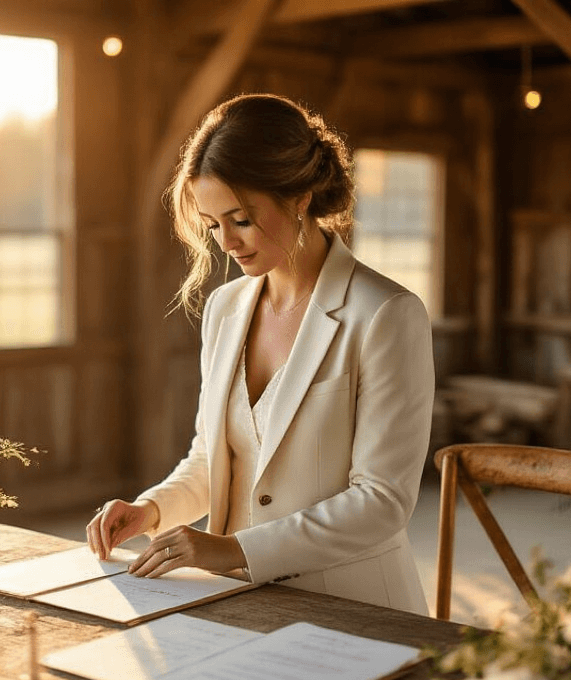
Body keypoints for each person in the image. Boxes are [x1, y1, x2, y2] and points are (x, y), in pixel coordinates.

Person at [86, 93, 433, 614]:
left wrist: (233, 549)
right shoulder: (225, 308)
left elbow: (382, 502)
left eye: (241, 218)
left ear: (299, 196)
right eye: (211, 224)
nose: (225, 241)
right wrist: (150, 509)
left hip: (354, 606)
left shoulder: (386, 314)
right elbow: (213, 459)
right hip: (236, 599)